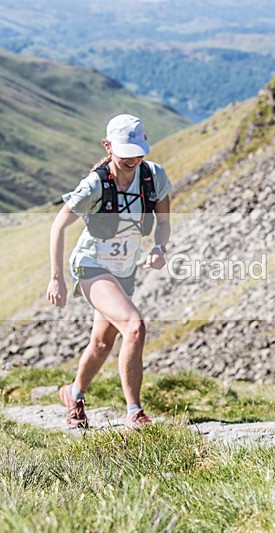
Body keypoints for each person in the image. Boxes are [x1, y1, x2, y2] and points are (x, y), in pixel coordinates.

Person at [46, 114, 172, 431]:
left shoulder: (153, 176)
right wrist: (57, 277)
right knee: (135, 326)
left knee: (102, 343)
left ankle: (73, 395)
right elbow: (59, 225)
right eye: (125, 153)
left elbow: (165, 221)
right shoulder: (95, 184)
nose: (133, 159)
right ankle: (135, 412)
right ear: (108, 147)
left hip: (124, 270)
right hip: (91, 264)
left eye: (138, 152)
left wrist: (159, 248)